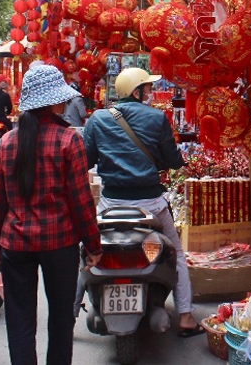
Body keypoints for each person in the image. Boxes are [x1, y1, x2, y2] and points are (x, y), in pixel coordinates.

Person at [0, 65, 101, 365]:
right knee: (61, 320)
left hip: (16, 244)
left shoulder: (7, 142)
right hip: (60, 244)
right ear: (54, 101)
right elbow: (81, 202)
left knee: (20, 322)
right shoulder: (69, 140)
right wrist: (93, 246)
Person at [83, 68, 200, 337]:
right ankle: (185, 316)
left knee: (88, 252)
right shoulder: (157, 118)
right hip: (151, 204)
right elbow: (172, 160)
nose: (149, 93)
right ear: (136, 92)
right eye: (146, 89)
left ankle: (70, 311)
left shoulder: (97, 119)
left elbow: (86, 161)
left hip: (110, 203)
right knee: (177, 254)